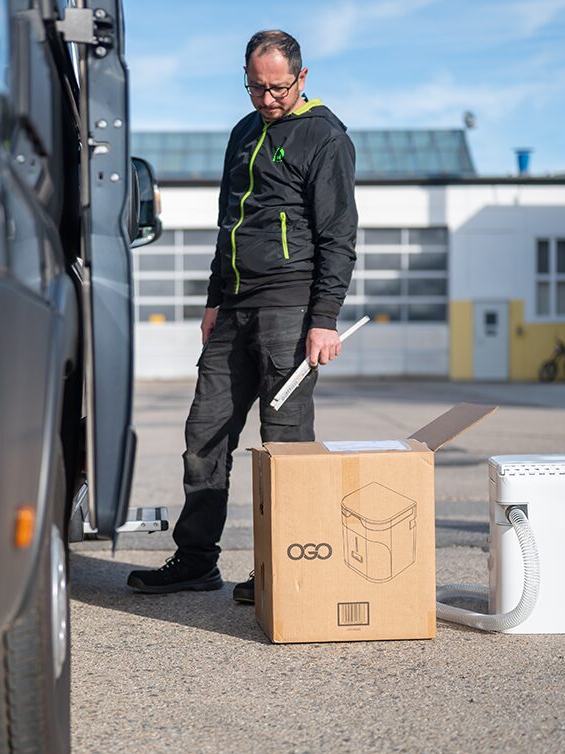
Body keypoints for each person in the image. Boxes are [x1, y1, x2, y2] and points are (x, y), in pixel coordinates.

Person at [127, 30, 358, 602]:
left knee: (283, 445)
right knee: (203, 436)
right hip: (234, 308)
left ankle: (282, 566)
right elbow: (228, 223)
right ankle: (196, 559)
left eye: (278, 88)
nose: (267, 99)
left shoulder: (325, 136)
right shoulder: (244, 132)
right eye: (255, 87)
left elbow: (338, 236)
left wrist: (324, 317)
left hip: (289, 309)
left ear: (302, 78)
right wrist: (213, 298)